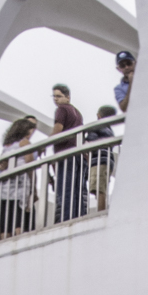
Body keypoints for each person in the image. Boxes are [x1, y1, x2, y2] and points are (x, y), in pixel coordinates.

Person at [0, 117, 39, 240]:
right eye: (31, 129)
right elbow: (30, 164)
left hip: (4, 186)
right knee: (20, 219)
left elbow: (0, 166)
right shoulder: (24, 143)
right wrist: (33, 188)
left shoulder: (7, 146)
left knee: (5, 221)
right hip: (20, 184)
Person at [49, 83, 87, 222]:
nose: (55, 99)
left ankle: (66, 220)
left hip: (65, 153)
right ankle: (79, 217)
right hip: (78, 153)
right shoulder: (77, 113)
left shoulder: (62, 109)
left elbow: (58, 128)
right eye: (54, 96)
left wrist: (47, 143)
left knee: (65, 188)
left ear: (68, 97)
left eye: (59, 96)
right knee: (77, 189)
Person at [84, 105, 119, 212]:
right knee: (102, 187)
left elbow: (90, 143)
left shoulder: (97, 126)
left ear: (98, 115)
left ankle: (100, 212)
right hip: (108, 160)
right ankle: (101, 209)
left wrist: (87, 158)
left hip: (98, 160)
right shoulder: (109, 130)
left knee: (99, 188)